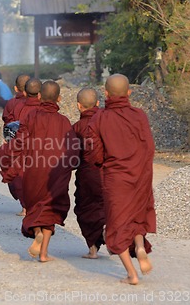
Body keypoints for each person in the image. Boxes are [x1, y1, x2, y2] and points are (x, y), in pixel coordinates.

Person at [85, 74, 156, 285]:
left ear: (105, 93)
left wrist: (103, 164)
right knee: (137, 214)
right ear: (129, 93)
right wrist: (141, 169)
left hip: (116, 178)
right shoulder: (140, 115)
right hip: (141, 175)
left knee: (117, 225)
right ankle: (140, 246)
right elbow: (149, 147)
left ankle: (132, 274)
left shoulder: (99, 118)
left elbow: (94, 153)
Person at [1, 80, 78, 262]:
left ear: (40, 96)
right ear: (59, 98)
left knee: (35, 207)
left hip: (33, 170)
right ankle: (43, 254)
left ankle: (37, 233)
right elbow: (73, 149)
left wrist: (9, 157)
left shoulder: (30, 117)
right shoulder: (64, 122)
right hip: (56, 173)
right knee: (50, 209)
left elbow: (19, 142)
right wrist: (71, 166)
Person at [0, 76, 41, 217]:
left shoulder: (14, 104)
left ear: (17, 89)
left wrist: (9, 142)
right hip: (39, 148)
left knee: (19, 174)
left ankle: (25, 207)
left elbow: (8, 124)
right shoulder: (44, 106)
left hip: (19, 146)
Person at [72, 88, 106, 259]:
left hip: (87, 175)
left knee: (86, 209)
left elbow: (72, 158)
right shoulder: (109, 122)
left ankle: (93, 249)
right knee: (108, 206)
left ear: (79, 106)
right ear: (98, 103)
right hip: (111, 173)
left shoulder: (77, 128)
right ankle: (108, 230)